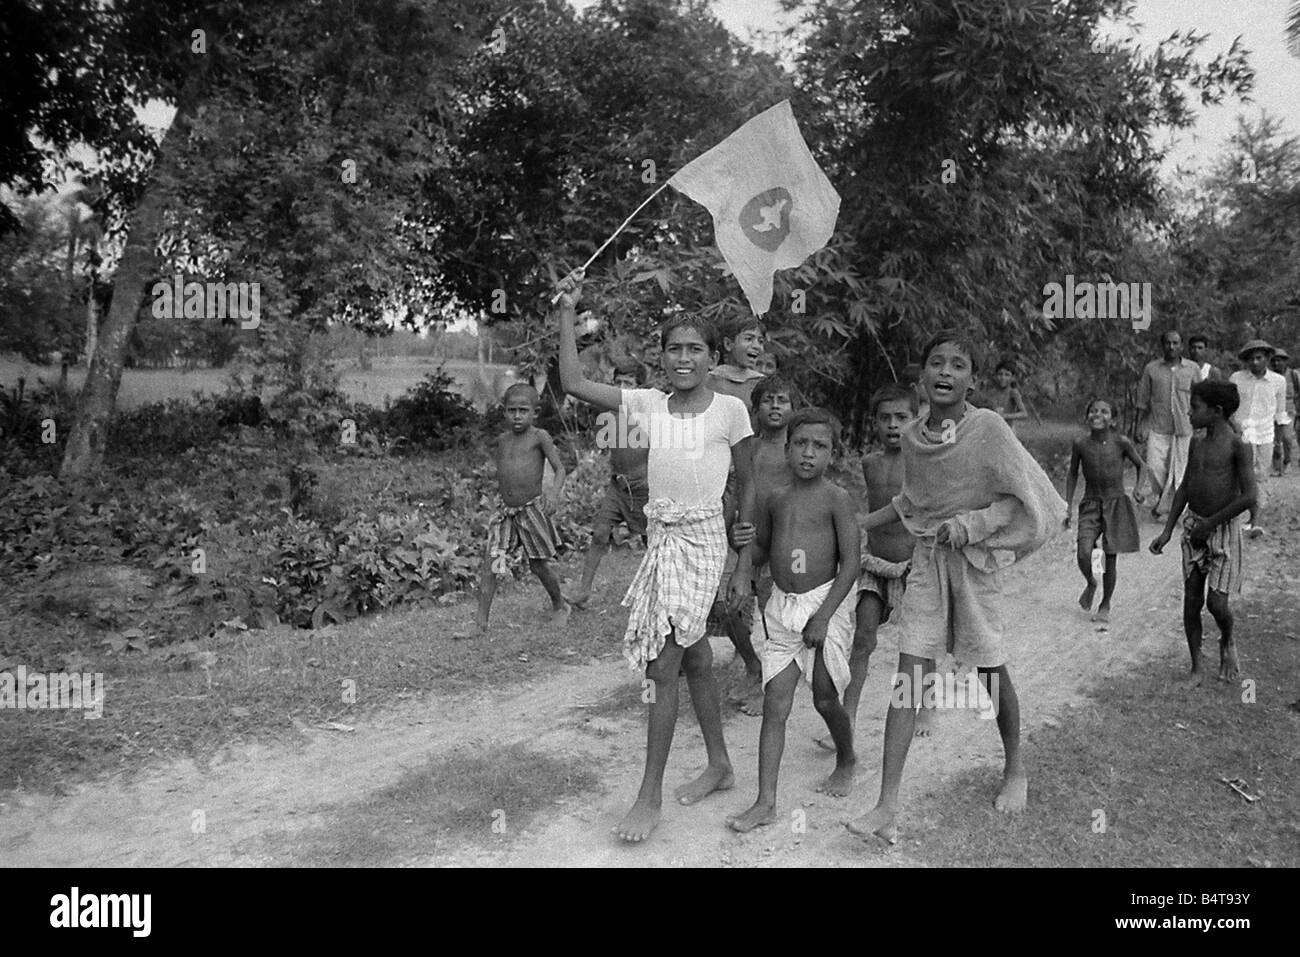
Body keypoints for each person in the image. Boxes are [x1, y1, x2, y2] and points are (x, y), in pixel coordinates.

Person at [556, 269, 755, 843]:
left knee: (661, 664)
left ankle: (649, 797)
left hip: (705, 543)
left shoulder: (730, 413)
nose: (684, 358)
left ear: (714, 357)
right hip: (662, 540)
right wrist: (568, 312)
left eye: (696, 349)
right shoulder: (647, 403)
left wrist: (743, 564)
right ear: (661, 357)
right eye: (674, 349)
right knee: (692, 658)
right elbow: (572, 381)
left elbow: (749, 486)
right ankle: (719, 764)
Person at [845, 330, 1065, 844]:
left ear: (972, 378)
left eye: (958, 365)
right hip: (927, 565)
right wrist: (859, 522)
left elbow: (1029, 499)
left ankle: (1015, 769)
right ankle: (886, 804)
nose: (946, 372)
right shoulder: (915, 438)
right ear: (921, 376)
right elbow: (911, 503)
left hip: (973, 567)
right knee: (909, 676)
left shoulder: (988, 429)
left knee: (989, 668)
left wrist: (972, 526)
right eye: (936, 363)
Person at [725, 409, 862, 832]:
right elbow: (765, 552)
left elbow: (852, 564)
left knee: (824, 698)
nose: (808, 453)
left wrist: (823, 616)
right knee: (775, 706)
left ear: (831, 454)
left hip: (826, 604)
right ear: (787, 450)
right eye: (800, 444)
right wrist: (742, 554)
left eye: (819, 446)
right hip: (784, 608)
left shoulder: (837, 499)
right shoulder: (776, 499)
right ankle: (765, 801)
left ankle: (847, 755)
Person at [815, 383, 919, 750]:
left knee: (918, 642)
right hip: (875, 563)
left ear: (917, 419)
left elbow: (909, 507)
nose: (893, 425)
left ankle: (926, 705)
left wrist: (861, 522)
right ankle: (850, 716)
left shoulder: (922, 461)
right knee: (863, 639)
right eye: (885, 418)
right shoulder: (870, 463)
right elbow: (862, 501)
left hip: (914, 565)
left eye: (901, 418)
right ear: (874, 423)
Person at [1149, 381, 1256, 685]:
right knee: (1192, 599)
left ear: (1216, 411)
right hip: (1194, 527)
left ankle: (1227, 638)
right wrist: (1168, 530)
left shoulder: (1238, 446)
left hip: (1221, 530)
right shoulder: (1196, 442)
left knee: (1217, 603)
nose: (1188, 412)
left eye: (1195, 407)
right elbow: (1184, 487)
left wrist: (1211, 524)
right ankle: (1196, 667)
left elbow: (1249, 496)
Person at [457, 383, 568, 639]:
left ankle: (560, 605)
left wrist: (552, 493)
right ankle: (480, 623)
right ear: (504, 412)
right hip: (506, 513)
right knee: (492, 564)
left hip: (531, 512)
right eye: (511, 411)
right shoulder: (503, 440)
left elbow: (559, 468)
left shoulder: (540, 437)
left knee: (538, 565)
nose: (517, 416)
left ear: (535, 413)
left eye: (523, 410)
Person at [726, 374, 800, 714]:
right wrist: (728, 531)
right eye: (767, 401)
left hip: (783, 545)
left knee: (776, 621)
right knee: (728, 609)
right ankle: (753, 665)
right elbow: (733, 492)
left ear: (793, 409)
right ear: (754, 410)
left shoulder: (798, 450)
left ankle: (772, 687)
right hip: (747, 543)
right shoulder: (747, 449)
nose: (774, 406)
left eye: (781, 400)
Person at [564, 366, 652, 609]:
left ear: (639, 387)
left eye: (629, 383)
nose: (623, 388)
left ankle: (658, 591)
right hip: (617, 486)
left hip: (644, 489)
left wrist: (649, 478)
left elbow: (659, 452)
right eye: (619, 382)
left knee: (651, 541)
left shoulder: (648, 414)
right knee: (600, 534)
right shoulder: (609, 414)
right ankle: (583, 590)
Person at [1063, 398, 1147, 623]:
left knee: (1110, 557)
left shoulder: (1121, 442)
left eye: (1104, 412)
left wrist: (1138, 489)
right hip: (1090, 503)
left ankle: (1105, 604)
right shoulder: (1080, 444)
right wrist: (1067, 504)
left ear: (1113, 419)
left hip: (1115, 503)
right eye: (1093, 411)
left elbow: (1141, 465)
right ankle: (1091, 581)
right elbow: (1072, 474)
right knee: (1083, 551)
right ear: (1086, 416)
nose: (1097, 415)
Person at [1135, 330, 1199, 520]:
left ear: (1181, 346)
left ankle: (1174, 508)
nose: (1171, 347)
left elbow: (1200, 396)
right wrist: (1139, 425)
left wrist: (1201, 422)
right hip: (1158, 426)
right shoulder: (1151, 369)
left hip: (1185, 427)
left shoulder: (1192, 369)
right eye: (1168, 343)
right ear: (1162, 345)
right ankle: (1166, 502)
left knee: (1181, 472)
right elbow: (1142, 400)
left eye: (1175, 343)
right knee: (1154, 468)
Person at [1227, 339, 1284, 535]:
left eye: (1259, 358)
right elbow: (1228, 405)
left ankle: (1255, 519)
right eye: (1251, 359)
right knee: (1242, 475)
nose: (1255, 362)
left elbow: (1280, 414)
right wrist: (1233, 426)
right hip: (1241, 433)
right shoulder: (1237, 378)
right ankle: (1234, 516)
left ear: (1268, 358)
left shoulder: (1278, 381)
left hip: (1265, 434)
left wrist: (1279, 443)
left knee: (1260, 476)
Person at [1269, 347, 1298, 476]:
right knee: (1275, 440)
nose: (1276, 364)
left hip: (1289, 411)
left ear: (1285, 361)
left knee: (1287, 438)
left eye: (1280, 361)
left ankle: (1287, 461)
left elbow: (1298, 392)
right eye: (1274, 361)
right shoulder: (1270, 376)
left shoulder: (1293, 375)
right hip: (1273, 412)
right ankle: (1276, 467)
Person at [985, 361, 1028, 434]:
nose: (1003, 378)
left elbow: (1024, 414)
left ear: (1013, 377)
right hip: (993, 430)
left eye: (1007, 375)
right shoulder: (991, 393)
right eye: (1000, 374)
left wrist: (1004, 416)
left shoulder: (1013, 392)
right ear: (995, 376)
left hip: (1008, 431)